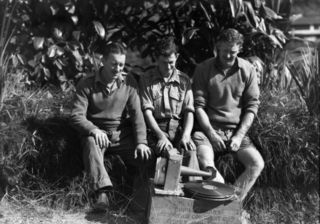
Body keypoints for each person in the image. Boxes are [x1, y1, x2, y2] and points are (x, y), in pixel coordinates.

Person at [70, 42, 152, 210]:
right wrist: (93, 130)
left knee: (148, 157)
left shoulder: (129, 83)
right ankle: (102, 196)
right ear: (103, 61)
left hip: (120, 136)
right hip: (97, 135)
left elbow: (137, 115)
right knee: (90, 143)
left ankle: (141, 198)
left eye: (121, 64)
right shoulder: (87, 83)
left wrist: (141, 142)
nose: (118, 69)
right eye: (114, 64)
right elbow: (76, 116)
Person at [192, 28, 265, 201]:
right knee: (206, 162)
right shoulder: (203, 69)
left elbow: (252, 107)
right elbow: (198, 106)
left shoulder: (248, 70)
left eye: (232, 52)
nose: (228, 56)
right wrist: (211, 133)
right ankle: (224, 198)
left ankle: (232, 203)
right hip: (207, 130)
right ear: (217, 48)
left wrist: (239, 136)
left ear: (239, 48)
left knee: (257, 164)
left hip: (235, 131)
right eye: (224, 51)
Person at [139, 36, 217, 180]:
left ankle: (192, 192)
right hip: (156, 129)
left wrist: (186, 135)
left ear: (177, 57)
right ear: (156, 59)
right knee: (168, 153)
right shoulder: (146, 79)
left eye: (171, 62)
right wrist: (160, 136)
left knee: (190, 151)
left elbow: (189, 111)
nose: (168, 67)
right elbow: (147, 112)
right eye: (164, 63)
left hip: (178, 129)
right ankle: (166, 194)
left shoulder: (184, 80)